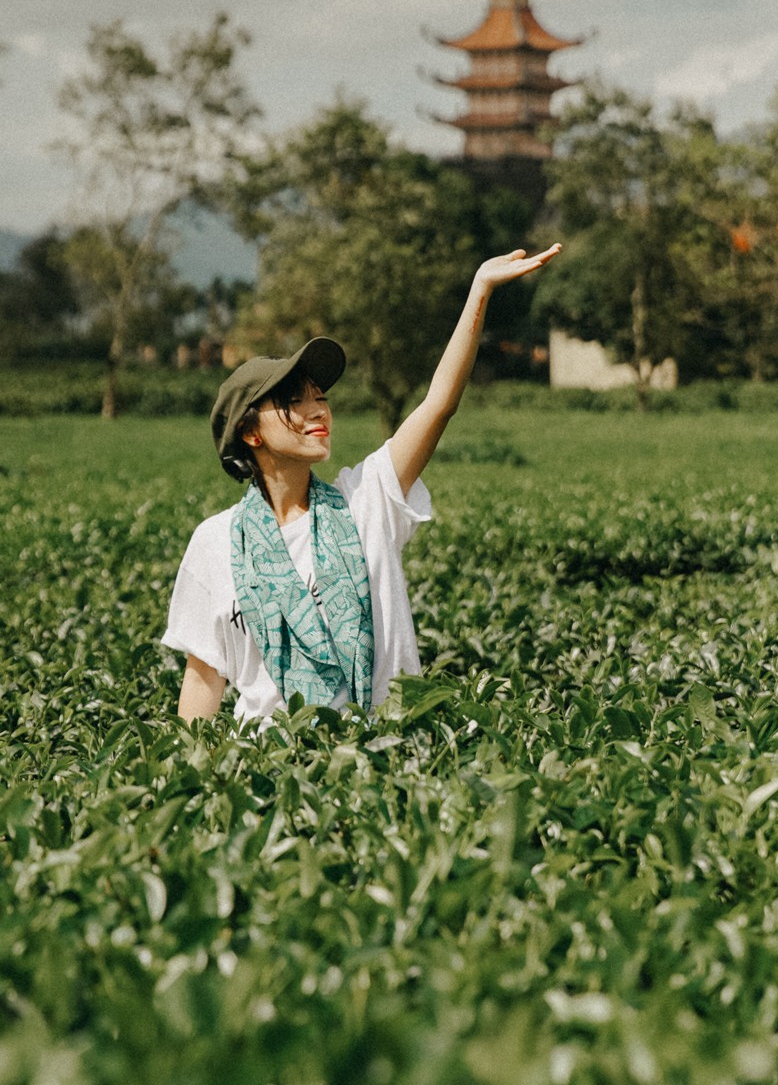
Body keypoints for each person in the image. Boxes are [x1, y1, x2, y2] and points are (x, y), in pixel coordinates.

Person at [162, 246, 560, 726]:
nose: (318, 412)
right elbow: (203, 678)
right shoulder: (215, 542)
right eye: (294, 401)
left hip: (382, 757)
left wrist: (479, 291)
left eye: (321, 398)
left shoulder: (366, 502)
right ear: (250, 433)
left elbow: (438, 405)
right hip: (267, 773)